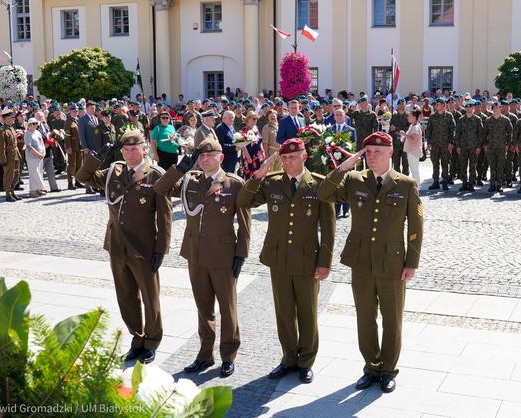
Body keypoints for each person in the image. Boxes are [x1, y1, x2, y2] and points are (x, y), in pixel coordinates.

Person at [317, 131, 423, 394]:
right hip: (361, 260)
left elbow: (416, 227)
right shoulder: (354, 179)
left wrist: (412, 262)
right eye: (368, 152)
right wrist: (341, 168)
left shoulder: (406, 184)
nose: (372, 156)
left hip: (392, 262)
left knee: (392, 319)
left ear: (390, 152)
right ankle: (371, 366)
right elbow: (324, 193)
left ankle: (388, 369)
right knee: (365, 317)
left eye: (377, 151)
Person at [237, 138, 336, 384]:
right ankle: (288, 358)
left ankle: (306, 361)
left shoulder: (319, 185)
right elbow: (242, 202)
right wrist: (257, 176)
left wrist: (324, 262)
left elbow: (329, 229)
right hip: (279, 257)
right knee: (284, 311)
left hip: (307, 259)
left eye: (293, 156)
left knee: (307, 312)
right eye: (285, 157)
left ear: (304, 156)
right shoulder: (272, 183)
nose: (288, 161)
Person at [153, 139, 251, 378]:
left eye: (210, 155)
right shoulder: (189, 181)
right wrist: (179, 168)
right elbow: (159, 188)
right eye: (201, 156)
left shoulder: (234, 183)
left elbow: (245, 223)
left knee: (228, 309)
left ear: (220, 157)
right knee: (203, 307)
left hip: (223, 256)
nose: (204, 159)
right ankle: (205, 354)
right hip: (195, 254)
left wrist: (242, 253)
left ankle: (228, 356)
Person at [75, 131, 173, 365]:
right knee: (126, 297)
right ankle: (137, 338)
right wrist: (97, 157)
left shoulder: (156, 176)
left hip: (143, 247)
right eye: (126, 150)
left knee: (150, 298)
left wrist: (161, 249)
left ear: (144, 149)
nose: (130, 154)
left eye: (134, 149)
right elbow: (82, 176)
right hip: (117, 245)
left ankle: (151, 342)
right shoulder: (113, 173)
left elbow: (165, 218)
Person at [327, 109, 357, 218]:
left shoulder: (351, 130)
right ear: (334, 117)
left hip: (346, 161)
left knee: (347, 184)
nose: (339, 116)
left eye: (341, 115)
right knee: (335, 184)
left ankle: (346, 209)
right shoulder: (330, 129)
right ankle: (336, 208)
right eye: (337, 115)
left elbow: (354, 147)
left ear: (345, 117)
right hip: (333, 162)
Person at [425, 98, 455, 191]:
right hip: (435, 144)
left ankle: (445, 181)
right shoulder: (432, 116)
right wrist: (429, 142)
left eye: (437, 104)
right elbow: (428, 130)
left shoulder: (449, 116)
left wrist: (451, 142)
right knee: (435, 163)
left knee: (445, 164)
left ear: (442, 105)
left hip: (445, 144)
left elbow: (452, 130)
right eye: (436, 104)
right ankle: (436, 182)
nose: (436, 106)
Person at [482, 102, 512, 194]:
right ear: (492, 109)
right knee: (492, 166)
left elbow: (510, 133)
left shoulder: (505, 120)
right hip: (491, 147)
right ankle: (492, 185)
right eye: (494, 108)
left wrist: (507, 144)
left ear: (500, 109)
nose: (496, 110)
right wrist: (485, 144)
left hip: (501, 147)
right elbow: (484, 133)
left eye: (497, 108)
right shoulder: (488, 120)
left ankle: (499, 185)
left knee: (500, 166)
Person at [455, 101, 484, 192]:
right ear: (465, 108)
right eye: (467, 107)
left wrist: (479, 146)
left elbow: (480, 134)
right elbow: (458, 134)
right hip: (463, 147)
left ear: (473, 108)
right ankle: (464, 184)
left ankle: (471, 184)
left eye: (470, 107)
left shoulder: (477, 119)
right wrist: (458, 146)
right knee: (463, 166)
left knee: (472, 166)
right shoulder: (461, 119)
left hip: (473, 147)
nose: (468, 109)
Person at [0, 109, 22, 202]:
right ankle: (8, 193)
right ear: (6, 119)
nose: (13, 119)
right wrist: (3, 159)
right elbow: (0, 147)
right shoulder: (2, 130)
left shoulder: (11, 128)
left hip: (15, 154)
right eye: (11, 117)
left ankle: (12, 190)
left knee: (16, 174)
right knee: (9, 175)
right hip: (8, 155)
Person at [78, 101, 100, 194]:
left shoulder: (96, 118)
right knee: (88, 168)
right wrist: (85, 147)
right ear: (87, 109)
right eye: (91, 108)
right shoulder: (83, 120)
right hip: (88, 148)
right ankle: (88, 187)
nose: (93, 110)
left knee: (96, 167)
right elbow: (82, 135)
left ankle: (95, 185)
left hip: (96, 148)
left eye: (94, 108)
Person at [24, 118, 46, 198]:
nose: (35, 125)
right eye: (33, 123)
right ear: (29, 125)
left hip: (40, 156)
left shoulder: (37, 132)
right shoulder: (28, 133)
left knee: (40, 173)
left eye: (36, 123)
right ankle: (33, 190)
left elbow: (42, 143)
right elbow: (29, 147)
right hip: (32, 157)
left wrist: (43, 152)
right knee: (34, 173)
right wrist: (38, 154)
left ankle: (39, 189)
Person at [240, 111, 265, 180]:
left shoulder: (256, 128)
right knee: (251, 177)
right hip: (251, 156)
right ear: (248, 119)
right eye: (253, 119)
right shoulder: (245, 130)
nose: (255, 120)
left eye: (256, 118)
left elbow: (260, 141)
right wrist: (248, 158)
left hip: (258, 156)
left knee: (259, 175)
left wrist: (263, 153)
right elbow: (242, 145)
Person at [64, 104, 83, 190]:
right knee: (72, 165)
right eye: (74, 111)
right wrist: (68, 146)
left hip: (79, 146)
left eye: (77, 111)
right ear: (70, 112)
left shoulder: (78, 120)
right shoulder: (68, 121)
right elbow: (67, 135)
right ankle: (70, 183)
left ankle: (78, 181)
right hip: (72, 146)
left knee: (79, 164)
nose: (76, 112)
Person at [402, 110, 423, 184]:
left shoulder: (416, 127)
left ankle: (416, 188)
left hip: (414, 152)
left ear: (414, 117)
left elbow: (413, 140)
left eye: (409, 116)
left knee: (414, 171)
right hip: (411, 151)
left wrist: (405, 135)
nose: (408, 117)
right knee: (413, 170)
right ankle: (416, 188)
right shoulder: (412, 126)